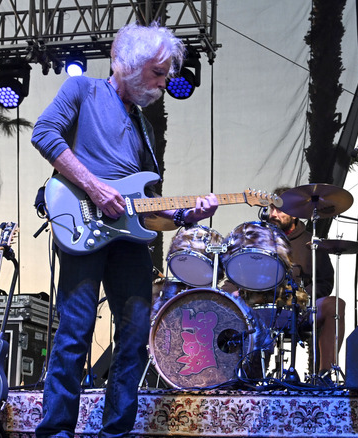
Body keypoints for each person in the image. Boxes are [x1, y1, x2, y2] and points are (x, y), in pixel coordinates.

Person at [31, 22, 218, 438]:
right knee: (75, 332)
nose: (163, 82)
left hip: (127, 240)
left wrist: (189, 216)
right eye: (157, 72)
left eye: (166, 74)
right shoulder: (82, 92)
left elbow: (145, 211)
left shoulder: (145, 129)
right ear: (128, 65)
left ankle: (115, 431)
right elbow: (43, 134)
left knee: (135, 335)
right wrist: (96, 189)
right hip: (82, 225)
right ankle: (56, 431)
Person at [266, 187, 345, 381]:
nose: (274, 214)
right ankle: (248, 377)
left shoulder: (312, 242)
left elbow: (325, 282)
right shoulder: (258, 238)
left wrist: (303, 296)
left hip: (300, 309)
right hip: (264, 309)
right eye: (271, 209)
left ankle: (325, 375)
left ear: (294, 214)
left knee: (335, 305)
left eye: (280, 210)